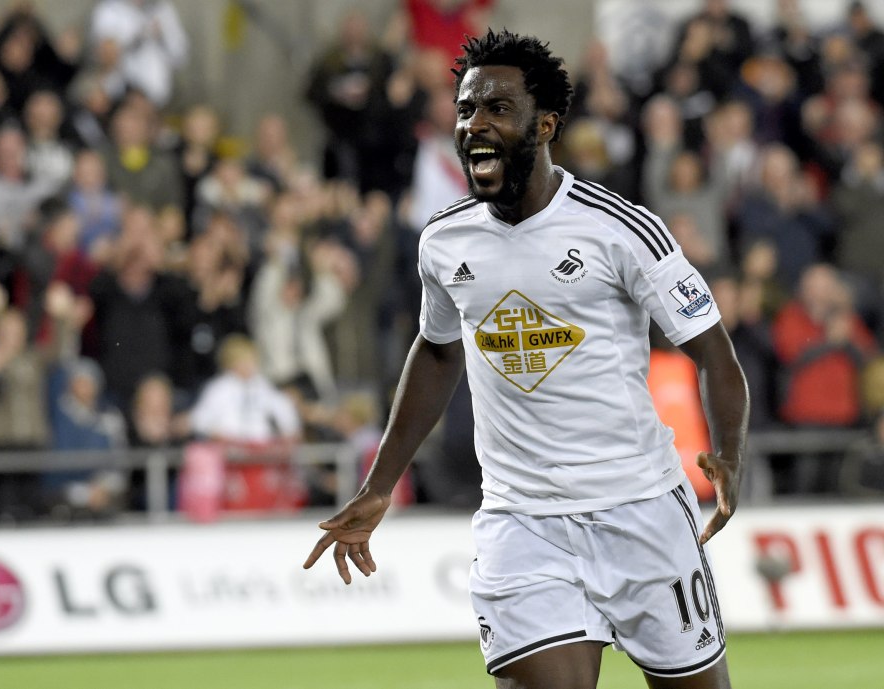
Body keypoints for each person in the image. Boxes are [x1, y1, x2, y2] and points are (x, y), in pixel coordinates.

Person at [304, 29, 749, 689]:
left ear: (544, 124)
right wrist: (378, 484)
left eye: (496, 109)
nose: (475, 124)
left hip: (642, 510)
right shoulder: (445, 240)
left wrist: (730, 453)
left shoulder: (620, 230)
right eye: (465, 110)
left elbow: (713, 350)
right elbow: (435, 350)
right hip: (522, 522)